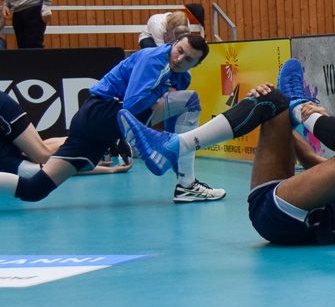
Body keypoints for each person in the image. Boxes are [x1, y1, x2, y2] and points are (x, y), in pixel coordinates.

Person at [116, 59, 335, 244]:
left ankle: (300, 103)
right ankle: (175, 146)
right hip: (267, 203)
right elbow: (314, 162)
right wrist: (284, 118)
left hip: (294, 222)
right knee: (271, 102)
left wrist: (315, 117)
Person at [0, 34, 223, 203]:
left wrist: (174, 150)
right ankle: (187, 184)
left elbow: (172, 122)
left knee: (35, 189)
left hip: (91, 124)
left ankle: (181, 180)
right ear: (173, 44)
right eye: (179, 50)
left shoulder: (182, 77)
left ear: (195, 65)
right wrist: (158, 97)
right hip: (104, 112)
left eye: (188, 59)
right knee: (191, 101)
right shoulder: (155, 60)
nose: (179, 59)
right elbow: (132, 104)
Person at [0, 90, 131, 177]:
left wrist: (107, 169)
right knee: (37, 150)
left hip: (3, 109)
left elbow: (57, 168)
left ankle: (103, 135)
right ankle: (104, 136)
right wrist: (106, 169)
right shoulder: (12, 166)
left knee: (42, 154)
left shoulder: (10, 167)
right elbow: (56, 167)